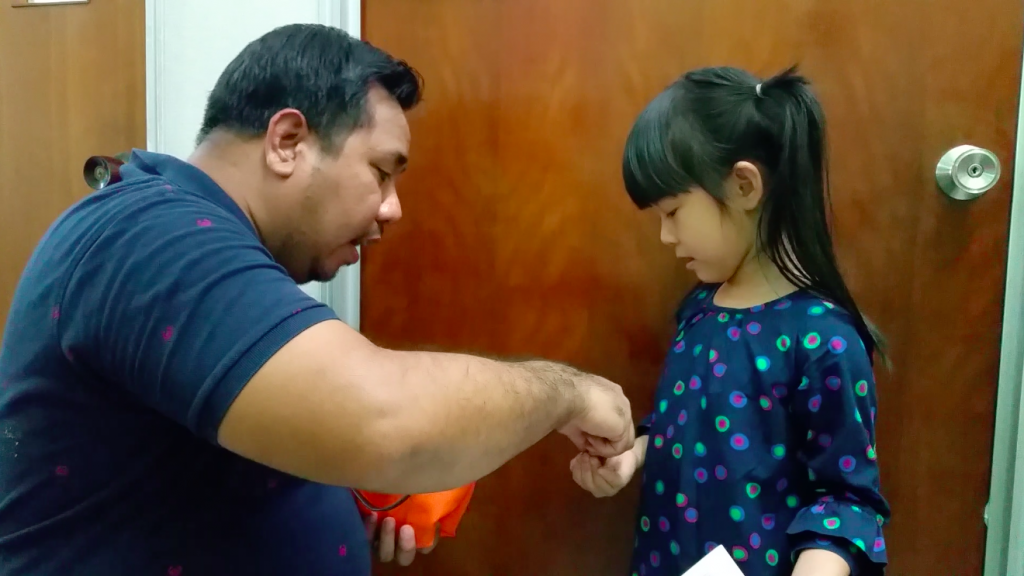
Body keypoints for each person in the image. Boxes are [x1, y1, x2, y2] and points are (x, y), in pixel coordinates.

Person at [0, 24, 635, 576]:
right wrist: (568, 392)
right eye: (382, 171)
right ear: (286, 141)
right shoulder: (153, 235)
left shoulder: (203, 242)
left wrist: (342, 493)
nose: (393, 209)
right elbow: (385, 422)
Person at [569, 66, 892, 576]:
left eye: (672, 213)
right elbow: (680, 428)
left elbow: (846, 499)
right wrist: (632, 456)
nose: (665, 237)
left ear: (744, 186)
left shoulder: (824, 341)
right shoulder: (699, 310)